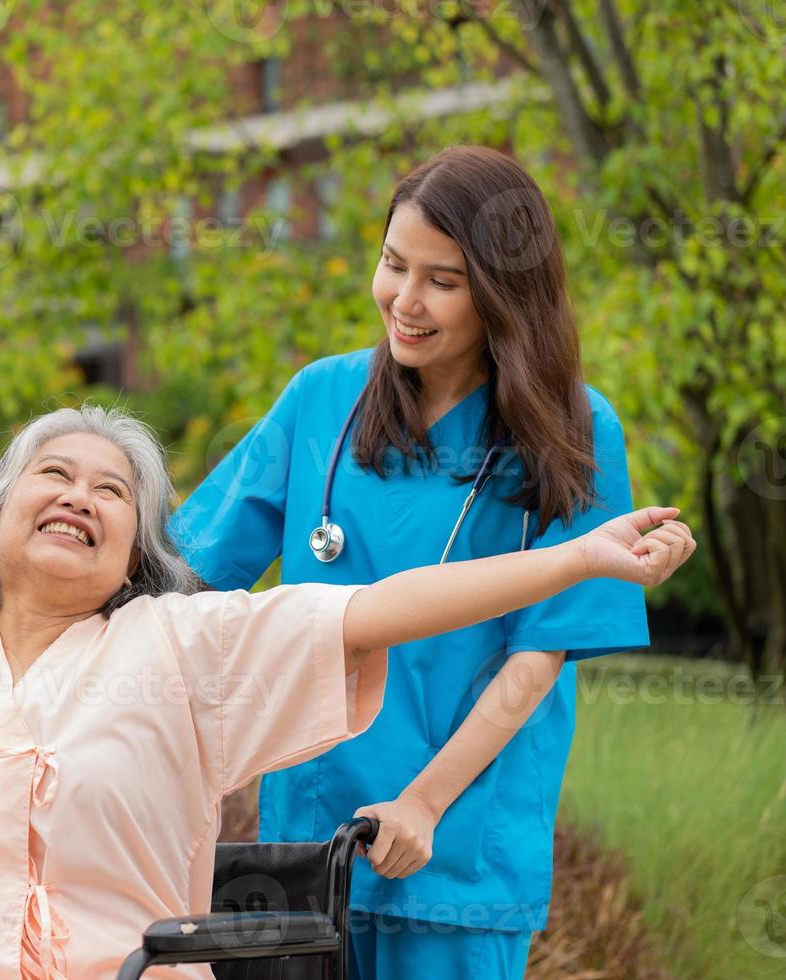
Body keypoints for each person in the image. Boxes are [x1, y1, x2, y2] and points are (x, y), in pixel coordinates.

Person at [0, 384, 693, 979]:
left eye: (112, 490)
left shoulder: (184, 645)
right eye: (53, 473)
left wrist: (582, 555)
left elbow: (386, 603)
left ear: (136, 549)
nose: (80, 493)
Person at [168, 145, 647, 978]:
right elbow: (183, 582)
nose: (406, 301)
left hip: (459, 845)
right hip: (309, 838)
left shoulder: (573, 426)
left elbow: (540, 655)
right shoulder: (322, 398)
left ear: (505, 293)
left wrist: (424, 804)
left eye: (444, 281)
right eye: (394, 265)